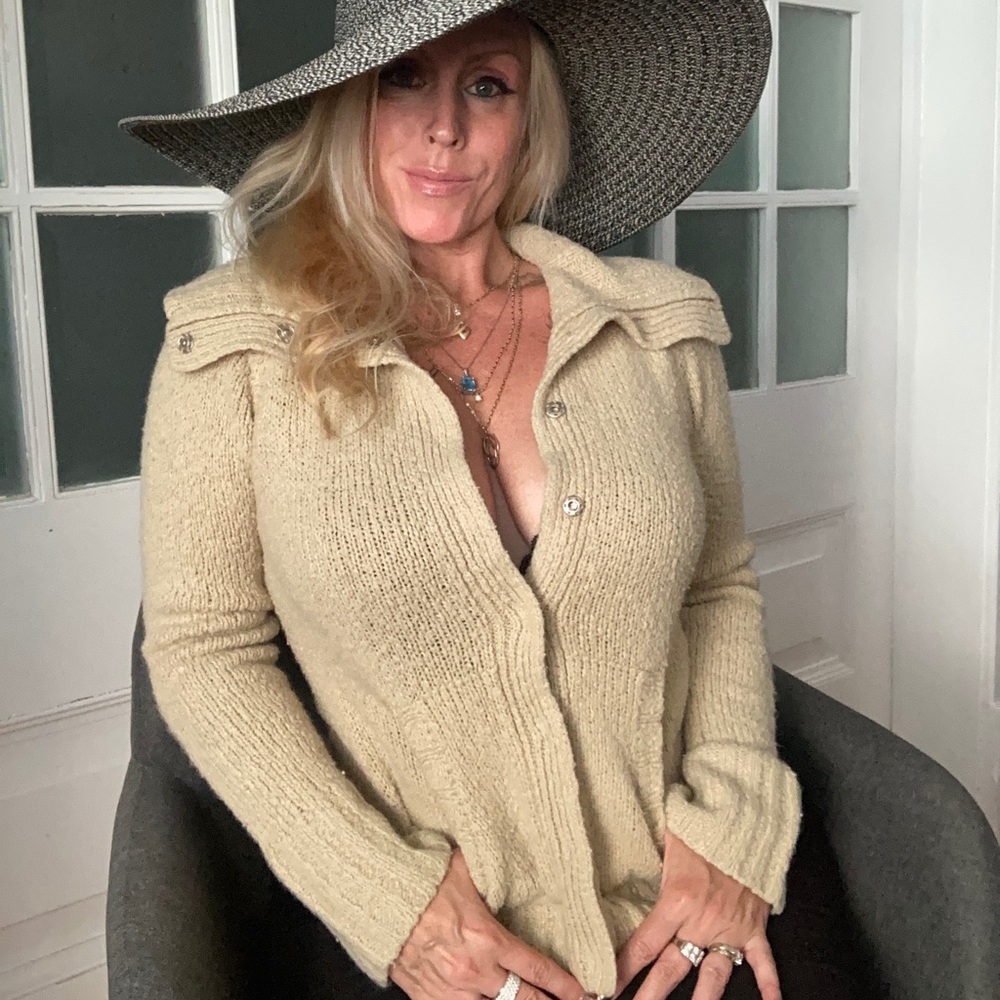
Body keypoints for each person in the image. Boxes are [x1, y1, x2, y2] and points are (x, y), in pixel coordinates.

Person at [119, 2, 878, 999]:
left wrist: (732, 823)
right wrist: (389, 900)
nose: (445, 127)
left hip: (683, 895)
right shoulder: (233, 346)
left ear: (530, 122)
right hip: (430, 930)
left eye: (487, 86)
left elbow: (716, 588)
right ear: (347, 106)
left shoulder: (654, 328)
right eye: (403, 79)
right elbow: (204, 648)